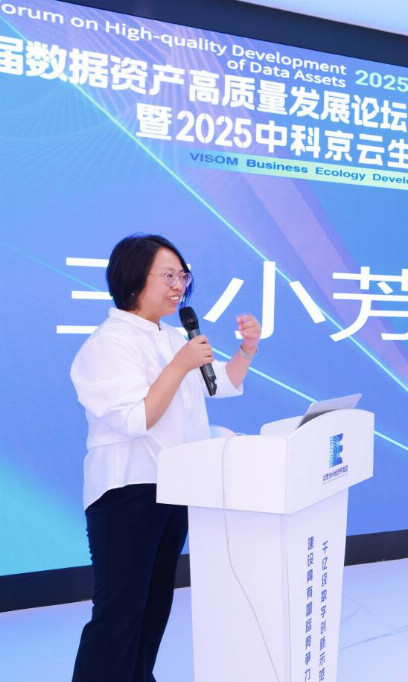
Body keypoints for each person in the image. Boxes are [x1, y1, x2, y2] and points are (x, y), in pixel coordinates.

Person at [70, 234, 262, 682]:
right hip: (127, 492)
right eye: (169, 276)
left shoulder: (174, 336)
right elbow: (137, 418)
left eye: (183, 277)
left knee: (153, 609)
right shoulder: (109, 343)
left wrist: (247, 350)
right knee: (119, 614)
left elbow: (218, 384)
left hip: (174, 489)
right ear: (134, 279)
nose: (180, 287)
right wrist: (178, 365)